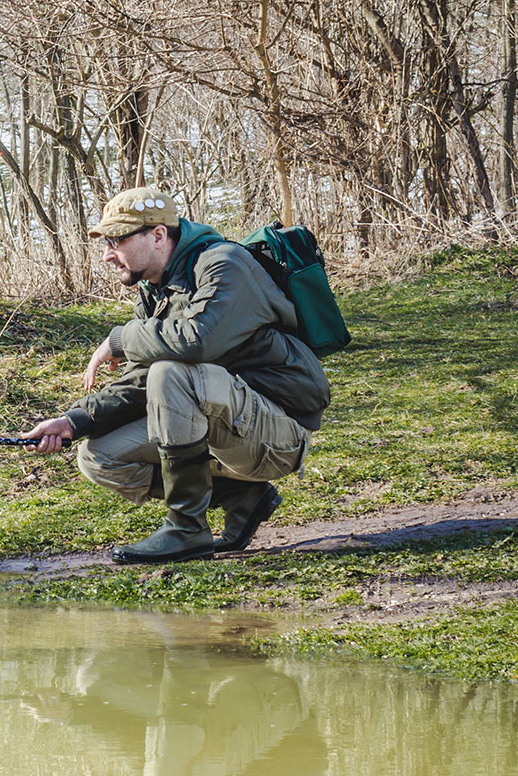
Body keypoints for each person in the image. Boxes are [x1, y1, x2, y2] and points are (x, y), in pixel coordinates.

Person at [24, 186, 330, 564]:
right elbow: (141, 377)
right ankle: (241, 497)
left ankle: (186, 529)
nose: (107, 255)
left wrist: (119, 339)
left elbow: (195, 343)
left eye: (116, 241)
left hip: (278, 432)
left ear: (157, 235)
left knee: (172, 373)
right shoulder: (158, 290)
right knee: (98, 455)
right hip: (225, 424)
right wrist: (74, 421)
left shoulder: (225, 264)